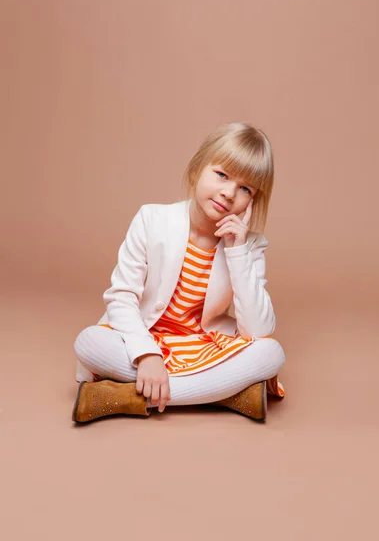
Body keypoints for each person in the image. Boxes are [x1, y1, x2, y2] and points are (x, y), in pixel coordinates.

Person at [72, 122, 286, 424]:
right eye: (222, 175)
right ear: (199, 168)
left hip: (201, 345)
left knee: (271, 353)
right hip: (144, 337)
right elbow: (121, 298)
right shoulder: (152, 219)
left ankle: (126, 398)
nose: (228, 193)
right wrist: (147, 355)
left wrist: (236, 251)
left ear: (253, 200)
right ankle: (224, 394)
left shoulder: (249, 244)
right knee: (88, 342)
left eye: (244, 188)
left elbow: (257, 330)